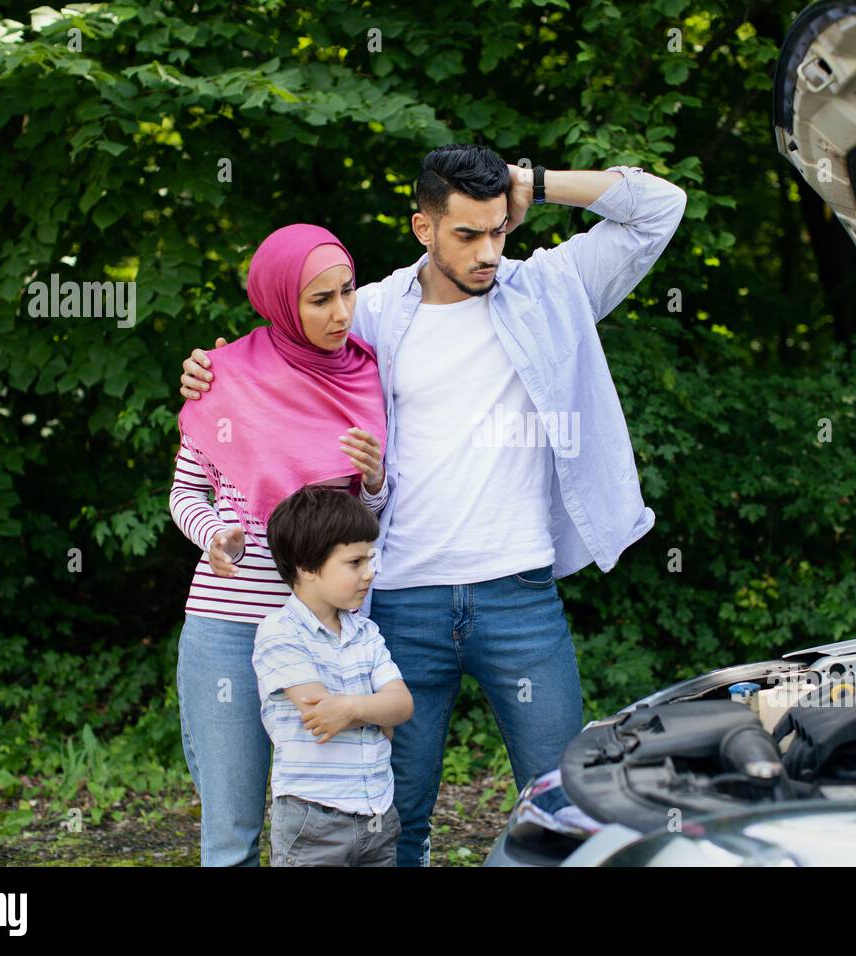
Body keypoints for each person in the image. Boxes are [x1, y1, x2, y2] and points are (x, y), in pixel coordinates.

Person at [179, 145, 687, 866]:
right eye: (466, 234)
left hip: (520, 596)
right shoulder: (375, 312)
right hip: (400, 601)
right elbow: (286, 346)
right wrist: (212, 372)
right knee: (396, 820)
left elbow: (661, 207)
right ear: (423, 227)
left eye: (497, 231)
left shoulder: (552, 288)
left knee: (570, 804)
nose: (487, 253)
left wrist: (532, 185)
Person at [168, 224, 388, 866]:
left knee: (325, 833)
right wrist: (217, 536)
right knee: (231, 834)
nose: (341, 312)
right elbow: (185, 494)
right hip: (230, 622)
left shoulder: (365, 376)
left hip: (327, 632)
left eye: (347, 292)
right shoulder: (223, 375)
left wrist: (374, 480)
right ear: (278, 300)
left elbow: (368, 519)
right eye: (320, 299)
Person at [254, 484, 413, 867]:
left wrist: (354, 708)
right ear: (307, 567)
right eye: (355, 562)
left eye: (370, 560)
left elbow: (403, 705)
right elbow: (320, 713)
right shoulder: (280, 632)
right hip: (314, 818)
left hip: (377, 809)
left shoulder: (366, 633)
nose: (369, 573)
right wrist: (375, 713)